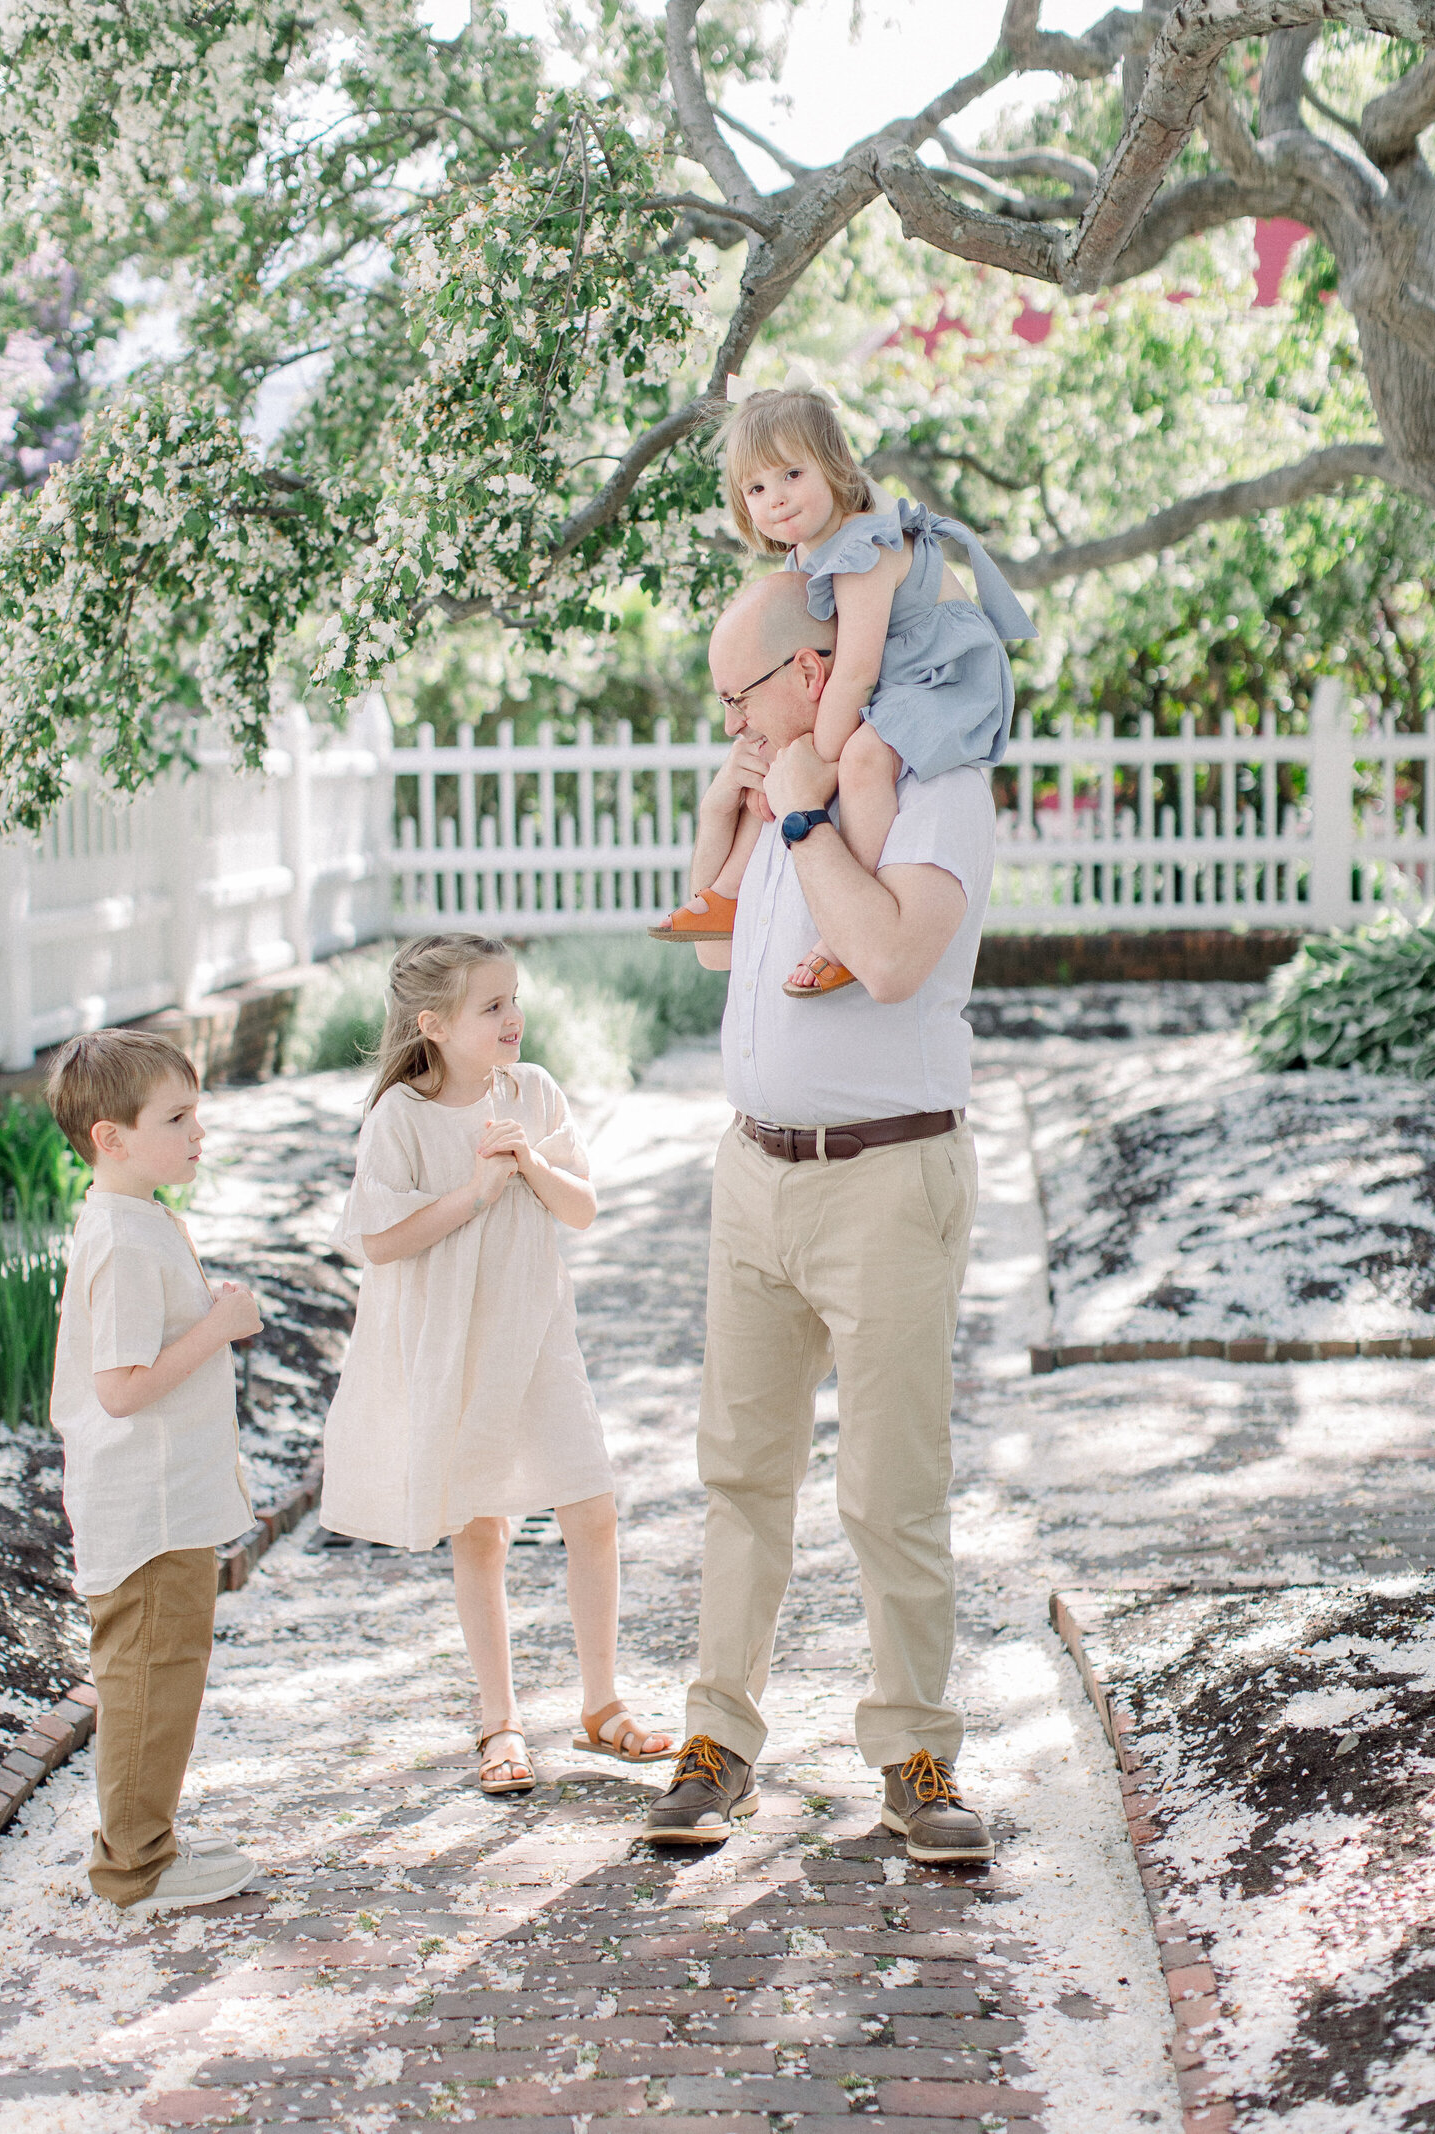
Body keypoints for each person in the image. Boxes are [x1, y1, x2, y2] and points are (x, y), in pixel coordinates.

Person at [643, 571, 994, 1862]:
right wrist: (722, 817)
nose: (725, 712)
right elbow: (711, 951)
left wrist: (801, 821)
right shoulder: (779, 786)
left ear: (807, 675)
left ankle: (917, 1756)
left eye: (736, 691)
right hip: (754, 1178)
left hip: (886, 1182)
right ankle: (717, 1741)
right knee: (740, 1476)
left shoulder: (932, 784)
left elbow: (894, 956)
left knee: (890, 1489)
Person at [319, 933, 674, 1794]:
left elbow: (581, 1209)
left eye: (515, 1000)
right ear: (433, 1024)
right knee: (481, 1527)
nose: (514, 1018)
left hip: (537, 1335)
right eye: (493, 1007)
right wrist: (472, 1194)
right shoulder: (400, 1117)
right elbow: (377, 1238)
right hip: (454, 1345)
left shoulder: (534, 1092)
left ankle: (601, 1702)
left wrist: (532, 1162)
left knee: (590, 1507)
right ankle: (500, 1722)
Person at [650, 376, 1035, 999]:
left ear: (832, 467)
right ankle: (726, 894)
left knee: (858, 759)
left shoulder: (864, 548)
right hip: (892, 676)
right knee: (778, 753)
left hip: (941, 676)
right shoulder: (800, 560)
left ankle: (848, 925)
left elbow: (854, 672)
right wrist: (787, 763)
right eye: (756, 486)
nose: (775, 498)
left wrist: (818, 763)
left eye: (791, 475)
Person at [47, 1029, 263, 1915]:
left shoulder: (134, 1220)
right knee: (148, 1673)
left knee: (161, 1669)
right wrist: (217, 1329)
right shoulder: (127, 1239)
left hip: (162, 1499)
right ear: (112, 1137)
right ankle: (135, 1868)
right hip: (149, 1504)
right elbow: (123, 1389)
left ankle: (145, 1838)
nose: (197, 1132)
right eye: (176, 1117)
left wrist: (201, 1313)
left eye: (196, 1112)